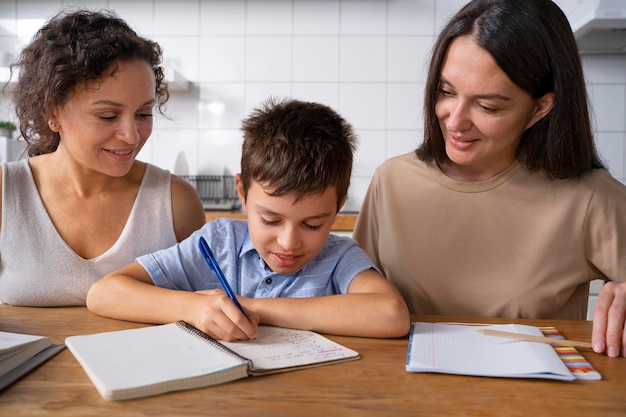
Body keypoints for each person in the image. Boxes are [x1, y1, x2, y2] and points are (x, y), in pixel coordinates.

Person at [353, 0, 626, 357]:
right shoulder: (393, 181)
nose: (454, 121)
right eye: (446, 92)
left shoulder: (589, 197)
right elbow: (350, 297)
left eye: (488, 106)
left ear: (540, 108)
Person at [87, 97, 410, 341]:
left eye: (313, 225)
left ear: (338, 205)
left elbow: (391, 314)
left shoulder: (339, 257)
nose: (288, 242)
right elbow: (104, 293)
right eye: (270, 220)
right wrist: (194, 308)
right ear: (242, 192)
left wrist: (251, 307)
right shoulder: (217, 242)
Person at [0, 10, 206, 306]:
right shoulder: (5, 194)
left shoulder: (177, 203)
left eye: (143, 114)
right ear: (52, 112)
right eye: (107, 116)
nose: (132, 135)